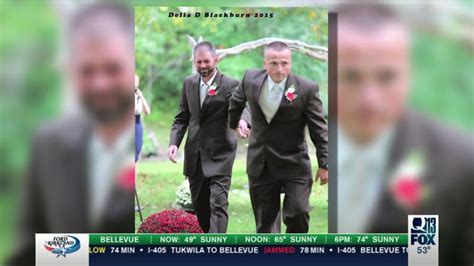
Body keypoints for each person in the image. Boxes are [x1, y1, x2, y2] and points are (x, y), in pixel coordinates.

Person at [336, 4, 473, 266]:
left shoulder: (463, 165)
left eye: (386, 77)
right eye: (351, 77)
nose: (369, 99)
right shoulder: (301, 148)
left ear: (409, 76)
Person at [7, 3, 135, 266]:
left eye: (112, 69)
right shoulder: (48, 145)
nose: (100, 84)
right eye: (87, 71)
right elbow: (29, 249)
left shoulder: (144, 153)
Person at [229, 41, 328, 233]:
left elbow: (319, 129)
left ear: (290, 63)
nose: (280, 69)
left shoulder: (307, 89)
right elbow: (237, 101)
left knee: (297, 212)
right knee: (265, 225)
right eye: (274, 63)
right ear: (264, 63)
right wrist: (236, 123)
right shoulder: (250, 79)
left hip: (295, 163)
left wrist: (325, 164)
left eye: (284, 63)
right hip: (261, 163)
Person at [168, 41, 250, 233]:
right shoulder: (188, 83)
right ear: (194, 62)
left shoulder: (230, 84)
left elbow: (240, 107)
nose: (203, 66)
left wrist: (242, 122)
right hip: (195, 155)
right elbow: (182, 117)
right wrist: (174, 143)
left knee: (219, 203)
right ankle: (207, 242)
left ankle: (217, 248)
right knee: (201, 208)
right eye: (199, 62)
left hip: (220, 153)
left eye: (206, 61)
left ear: (216, 59)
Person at [134, 74, 151, 162]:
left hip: (137, 122)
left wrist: (141, 96)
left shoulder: (139, 95)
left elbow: (147, 112)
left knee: (138, 147)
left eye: (136, 81)